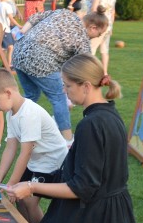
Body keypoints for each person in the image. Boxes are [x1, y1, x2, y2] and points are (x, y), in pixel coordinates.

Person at [4, 54, 139, 223]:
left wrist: (31, 186)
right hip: (114, 207)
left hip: (94, 211)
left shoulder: (90, 124)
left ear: (86, 86)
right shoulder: (110, 113)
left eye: (67, 85)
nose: (65, 91)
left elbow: (82, 188)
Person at [0, 68, 67, 223]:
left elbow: (25, 153)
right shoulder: (11, 113)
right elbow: (10, 148)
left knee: (28, 200)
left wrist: (11, 185)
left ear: (8, 93)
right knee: (19, 197)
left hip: (52, 162)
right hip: (37, 160)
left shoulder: (28, 113)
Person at [11, 8, 108, 144]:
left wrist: (23, 31)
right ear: (92, 27)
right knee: (58, 98)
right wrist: (101, 77)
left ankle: (14, 128)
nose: (98, 37)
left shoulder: (65, 12)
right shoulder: (82, 40)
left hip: (19, 53)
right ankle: (67, 139)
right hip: (40, 60)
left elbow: (36, 16)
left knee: (31, 95)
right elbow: (88, 64)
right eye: (99, 33)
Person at [89, 0, 117, 75]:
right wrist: (111, 27)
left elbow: (94, 9)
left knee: (91, 48)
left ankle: (90, 71)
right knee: (105, 50)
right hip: (108, 25)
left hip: (98, 25)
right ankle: (105, 72)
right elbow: (113, 12)